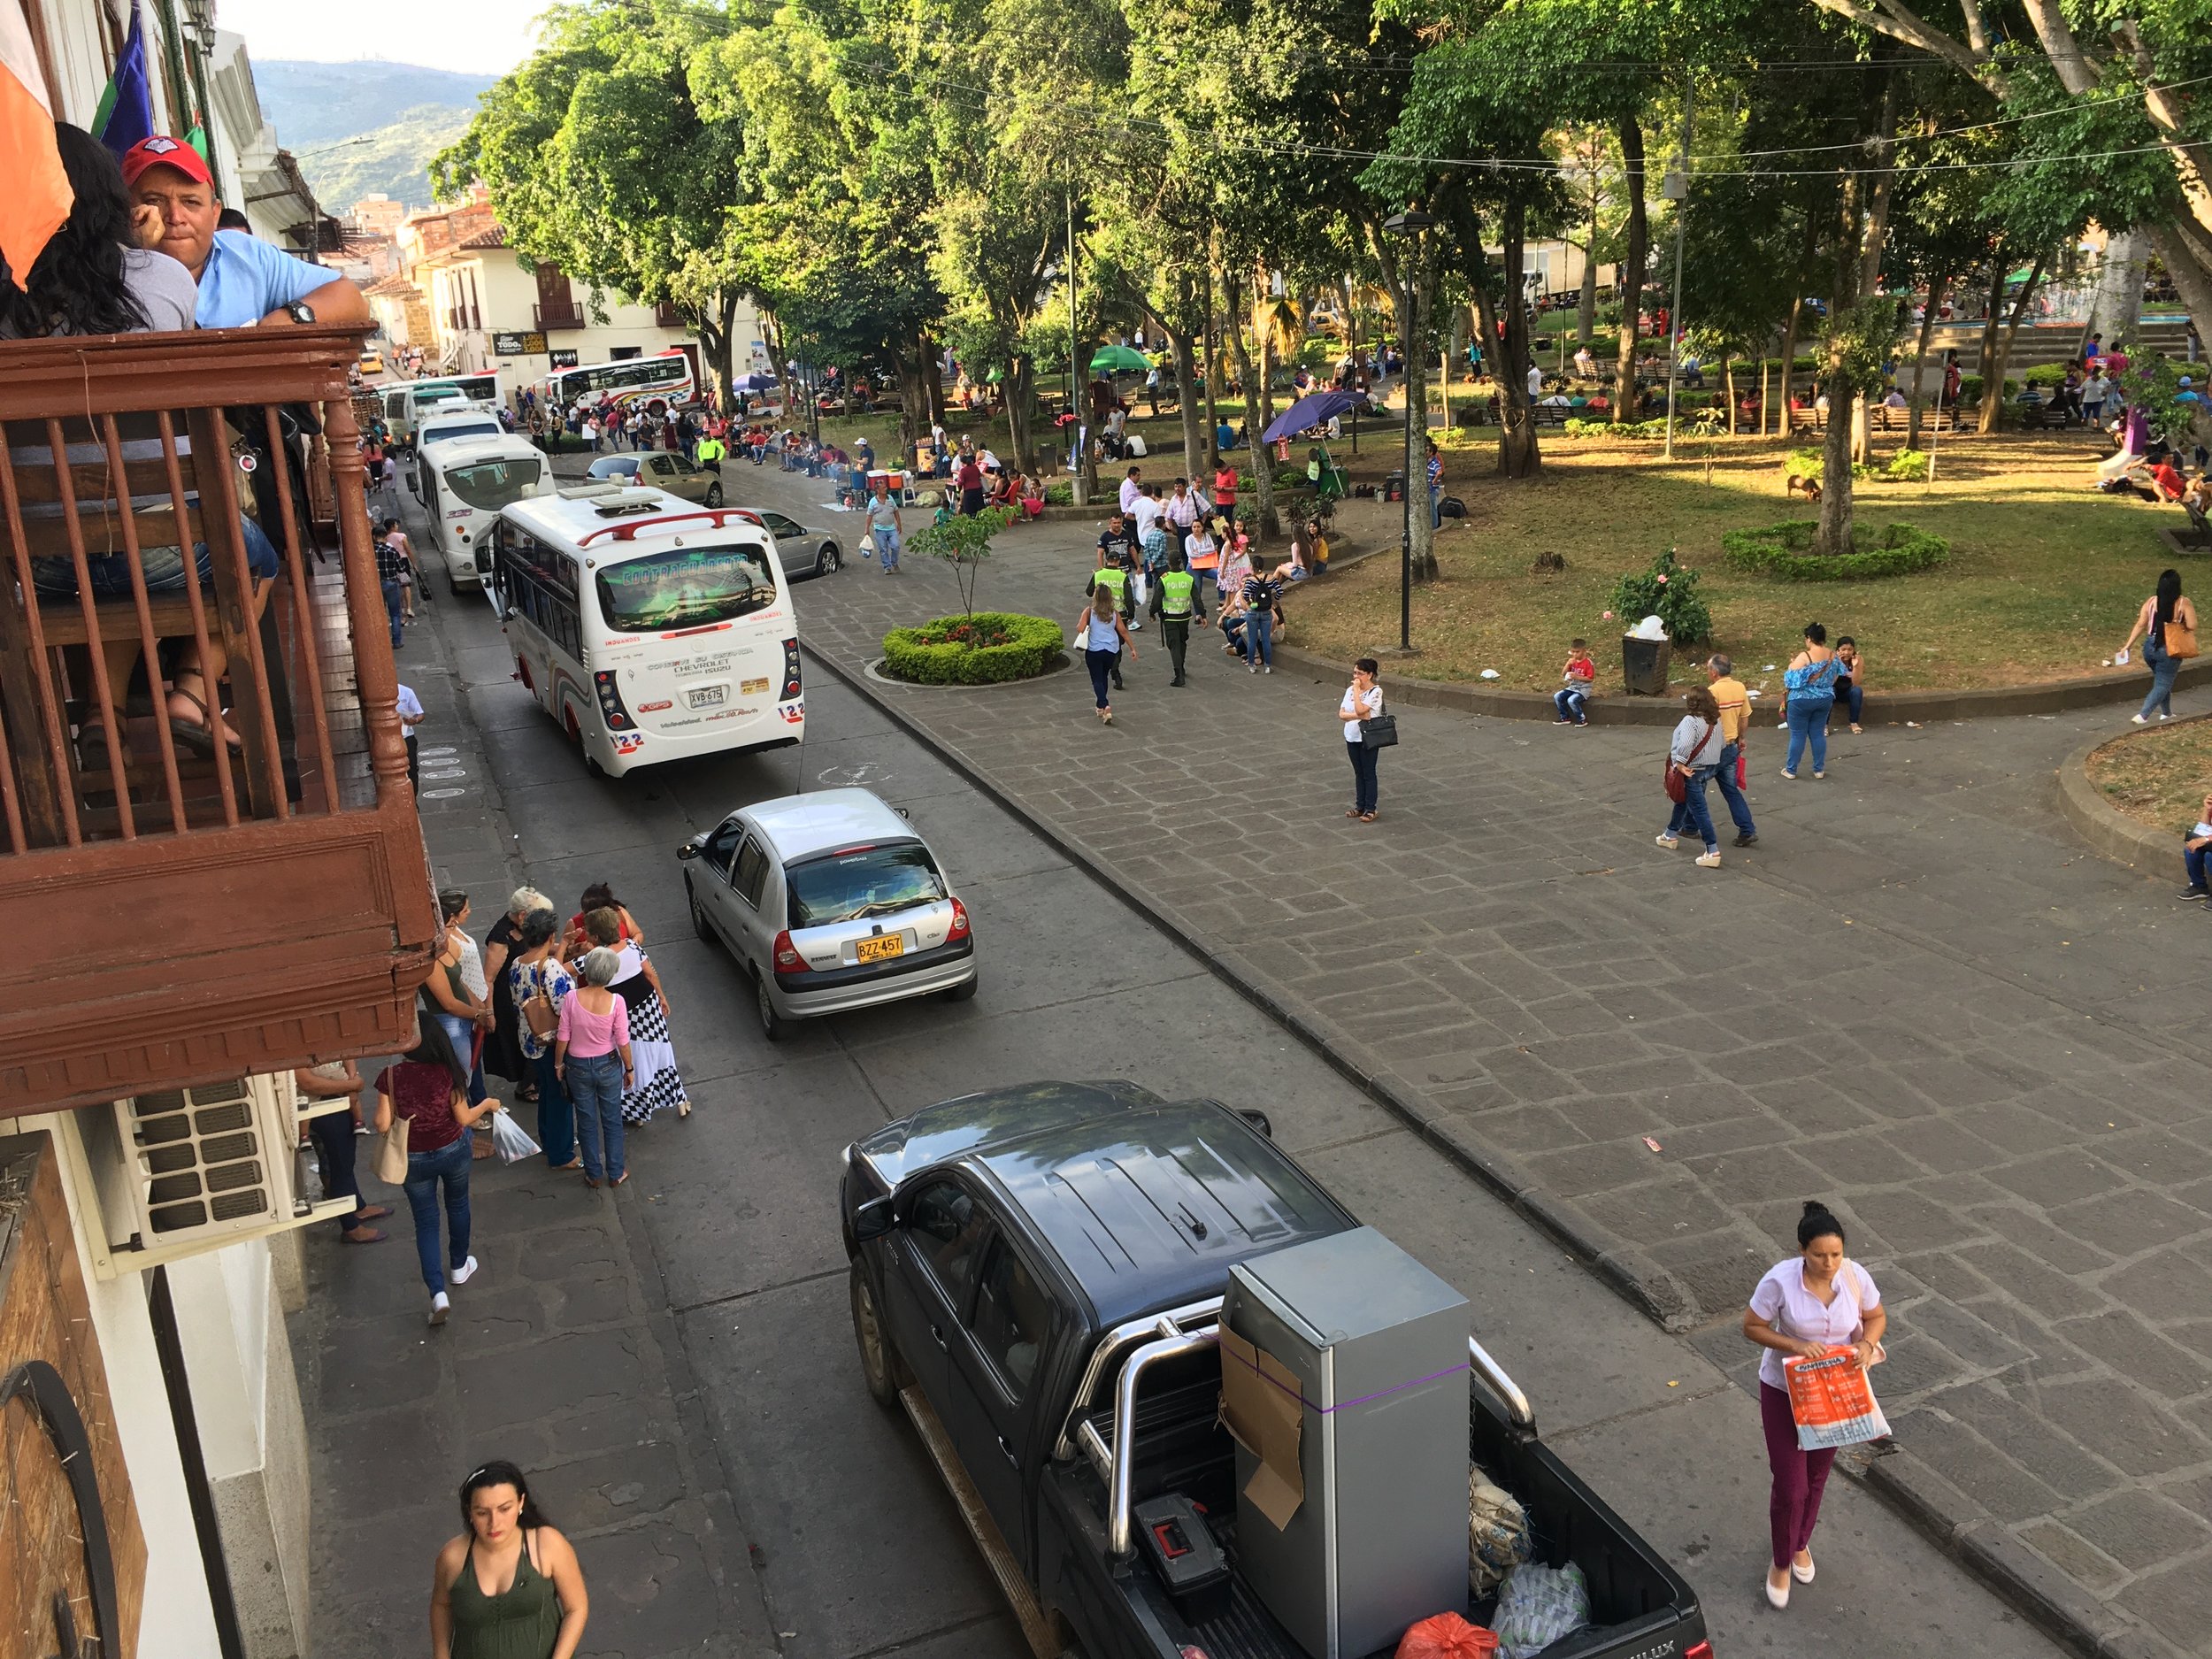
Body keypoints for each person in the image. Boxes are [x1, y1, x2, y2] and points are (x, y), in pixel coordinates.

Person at [1742, 1202, 1886, 1609]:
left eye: (1836, 1254)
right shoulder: (1780, 1282)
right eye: (1820, 1255)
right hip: (1784, 1390)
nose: (1829, 1263)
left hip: (1834, 1393)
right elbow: (1752, 1326)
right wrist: (1796, 1345)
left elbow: (1876, 1317)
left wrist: (1865, 1343)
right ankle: (1781, 1561)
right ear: (1802, 1251)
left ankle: (1800, 1542)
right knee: (1791, 1485)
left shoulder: (1855, 1277)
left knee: (1818, 1475)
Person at [122, 136, 372, 329]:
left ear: (215, 212)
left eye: (191, 202)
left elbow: (351, 299)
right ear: (124, 211)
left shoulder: (248, 256)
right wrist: (134, 258)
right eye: (155, 201)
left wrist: (288, 318)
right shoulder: (102, 270)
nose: (175, 217)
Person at [0, 124, 196, 339]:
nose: (175, 217)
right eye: (153, 199)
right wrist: (131, 247)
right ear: (115, 197)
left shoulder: (13, 295)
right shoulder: (168, 276)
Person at [369, 1010, 495, 1325]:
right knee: (458, 1205)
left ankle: (438, 1294)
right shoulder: (447, 1072)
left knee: (425, 1222)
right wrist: (488, 1105)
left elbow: (381, 1123)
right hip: (453, 1150)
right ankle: (459, 1265)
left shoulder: (391, 1076)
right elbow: (465, 1119)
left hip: (412, 1160)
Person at [431, 1460, 588, 1658]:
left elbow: (576, 1608)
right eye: (482, 1513)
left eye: (504, 1509)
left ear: (521, 1503)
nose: (494, 1523)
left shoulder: (547, 1544)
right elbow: (441, 1605)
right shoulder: (452, 1557)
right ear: (469, 1512)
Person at [508, 910, 580, 1171]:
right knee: (560, 1096)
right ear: (551, 937)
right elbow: (568, 1007)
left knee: (548, 1091)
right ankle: (561, 1154)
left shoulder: (517, 964)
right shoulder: (550, 969)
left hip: (529, 1039)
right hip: (553, 1043)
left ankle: (550, 1141)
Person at [557, 947, 634, 1187]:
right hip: (607, 1065)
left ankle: (593, 1173)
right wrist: (629, 1069)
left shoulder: (571, 998)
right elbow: (622, 1041)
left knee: (586, 1120)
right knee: (612, 1120)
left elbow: (563, 1036)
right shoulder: (616, 1002)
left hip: (577, 1066)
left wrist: (559, 1063)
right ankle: (615, 1172)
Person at [295, 1062, 390, 1245]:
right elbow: (307, 1083)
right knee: (340, 1167)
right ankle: (351, 1227)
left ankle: (358, 1207)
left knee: (345, 1162)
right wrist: (351, 1084)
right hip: (321, 1106)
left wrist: (351, 1080)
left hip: (337, 1099)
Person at [427, 890, 494, 1108]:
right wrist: (479, 1012)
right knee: (460, 1072)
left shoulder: (446, 947)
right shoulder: (436, 955)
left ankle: (472, 1106)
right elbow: (449, 1002)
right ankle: (462, 1115)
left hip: (466, 1011)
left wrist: (481, 1007)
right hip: (452, 1019)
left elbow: (459, 982)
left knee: (470, 1065)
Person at [482, 887, 550, 1101]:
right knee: (522, 1042)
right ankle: (526, 1085)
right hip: (508, 1000)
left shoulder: (522, 928)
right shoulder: (501, 938)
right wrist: (489, 1012)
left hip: (522, 994)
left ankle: (530, 1081)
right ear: (522, 915)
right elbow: (488, 979)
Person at [1656, 686, 1725, 867]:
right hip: (1708, 768)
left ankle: (1712, 850)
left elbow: (1685, 744)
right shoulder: (1715, 721)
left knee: (1699, 810)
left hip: (1691, 770)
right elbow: (1723, 744)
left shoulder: (1690, 721)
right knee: (1684, 801)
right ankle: (1670, 834)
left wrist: (1679, 764)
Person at [2118, 568, 2197, 723]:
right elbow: (2193, 625)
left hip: (2149, 647)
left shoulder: (2151, 601)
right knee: (2163, 683)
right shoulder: (2183, 603)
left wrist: (2127, 646)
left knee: (2161, 680)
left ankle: (2167, 713)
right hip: (2170, 649)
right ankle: (2143, 715)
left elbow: (2141, 624)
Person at [1704, 654, 1759, 849]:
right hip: (1731, 746)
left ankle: (1691, 825)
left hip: (1713, 748)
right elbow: (1744, 717)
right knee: (1730, 790)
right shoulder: (1740, 687)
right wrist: (1741, 738)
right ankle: (1747, 829)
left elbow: (1707, 722)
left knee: (1695, 785)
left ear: (1714, 672)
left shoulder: (1712, 692)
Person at [1778, 624, 1840, 780]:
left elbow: (1790, 680)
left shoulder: (1805, 656)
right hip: (1825, 698)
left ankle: (1791, 770)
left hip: (1801, 700)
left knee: (1798, 735)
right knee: (1818, 734)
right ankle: (1819, 770)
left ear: (1809, 638)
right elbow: (1835, 678)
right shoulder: (1833, 656)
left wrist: (1791, 664)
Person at [1074, 586, 1134, 725]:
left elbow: (1080, 628)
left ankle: (1105, 705)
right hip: (1111, 650)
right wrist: (1132, 648)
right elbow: (1123, 631)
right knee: (1103, 677)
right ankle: (1100, 706)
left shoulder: (1089, 612)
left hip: (1094, 650)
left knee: (1096, 679)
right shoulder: (1114, 613)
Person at [1149, 549, 1207, 686]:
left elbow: (1157, 600)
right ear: (1180, 562)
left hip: (1170, 617)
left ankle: (1178, 675)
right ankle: (1181, 667)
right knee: (1182, 642)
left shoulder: (1165, 579)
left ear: (1168, 563)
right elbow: (1197, 599)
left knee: (1174, 645)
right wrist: (1203, 614)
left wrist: (1152, 612)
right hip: (1184, 616)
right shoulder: (1188, 578)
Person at [1339, 659, 1385, 822]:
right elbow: (1342, 714)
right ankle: (1360, 805)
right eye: (1355, 673)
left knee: (1369, 772)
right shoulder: (1350, 690)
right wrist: (1358, 716)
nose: (1356, 676)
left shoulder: (1376, 692)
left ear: (1370, 674)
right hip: (1351, 736)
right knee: (1358, 772)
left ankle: (1370, 808)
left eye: (1360, 673)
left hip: (1367, 737)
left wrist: (1357, 691)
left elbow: (1361, 709)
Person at [565, 884, 645, 957]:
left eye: (589, 912)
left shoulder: (619, 912)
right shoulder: (574, 924)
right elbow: (564, 957)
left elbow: (637, 934)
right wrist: (580, 955)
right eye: (584, 910)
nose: (585, 915)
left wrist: (627, 947)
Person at [1240, 564, 1280, 673]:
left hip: (1253, 611)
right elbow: (1280, 591)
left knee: (1252, 640)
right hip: (1266, 611)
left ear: (1253, 567)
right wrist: (1273, 601)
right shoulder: (1271, 578)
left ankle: (1252, 666)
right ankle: (1267, 667)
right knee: (1266, 639)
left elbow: (1246, 594)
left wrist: (1250, 603)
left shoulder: (1250, 580)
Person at [377, 529, 409, 650]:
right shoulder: (391, 550)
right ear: (385, 537)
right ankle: (396, 642)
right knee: (395, 614)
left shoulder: (370, 551)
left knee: (380, 612)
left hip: (376, 585)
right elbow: (401, 568)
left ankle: (381, 641)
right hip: (391, 583)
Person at [866, 476, 903, 574]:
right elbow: (869, 516)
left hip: (891, 528)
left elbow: (896, 511)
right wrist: (867, 529)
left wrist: (899, 524)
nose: (885, 489)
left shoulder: (890, 499)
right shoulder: (873, 502)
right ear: (877, 490)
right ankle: (887, 566)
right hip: (879, 529)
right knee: (883, 549)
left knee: (895, 546)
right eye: (883, 488)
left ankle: (894, 562)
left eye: (885, 487)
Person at [1554, 639, 1595, 725]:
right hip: (1572, 687)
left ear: (1584, 651)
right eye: (1573, 652)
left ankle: (1581, 719)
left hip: (1583, 689)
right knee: (1557, 696)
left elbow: (1590, 678)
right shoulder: (1572, 662)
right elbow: (1563, 673)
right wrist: (1567, 665)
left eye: (1577, 652)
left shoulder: (1588, 663)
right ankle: (1564, 717)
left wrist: (1577, 677)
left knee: (1571, 700)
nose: (1575, 654)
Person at [1831, 638, 1867, 735]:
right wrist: (1837, 664)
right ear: (1837, 650)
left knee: (1857, 690)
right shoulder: (1831, 659)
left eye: (1850, 649)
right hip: (1834, 689)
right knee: (1829, 690)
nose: (1846, 652)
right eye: (1843, 649)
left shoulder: (1857, 659)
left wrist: (1855, 667)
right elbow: (1830, 682)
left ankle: (1854, 722)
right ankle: (1824, 725)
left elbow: (1856, 682)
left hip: (1848, 691)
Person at [397, 683, 426, 795]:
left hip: (406, 736)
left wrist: (414, 721)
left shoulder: (406, 692)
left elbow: (420, 714)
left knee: (411, 769)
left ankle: (413, 797)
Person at [1212, 458, 1240, 531]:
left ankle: (1228, 539)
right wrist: (1215, 487)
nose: (1219, 472)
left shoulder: (1231, 473)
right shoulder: (1218, 473)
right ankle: (1220, 540)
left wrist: (1223, 489)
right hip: (1219, 501)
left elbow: (1235, 488)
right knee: (1218, 523)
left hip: (1228, 502)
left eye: (1220, 470)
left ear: (1224, 466)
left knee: (1226, 524)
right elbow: (1219, 483)